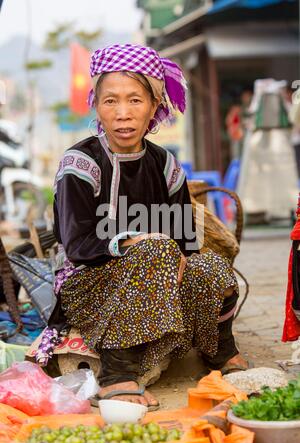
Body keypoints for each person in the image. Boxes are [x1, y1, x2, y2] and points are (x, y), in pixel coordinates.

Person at [36, 44, 249, 408]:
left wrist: (175, 263)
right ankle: (117, 375)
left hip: (155, 277)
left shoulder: (165, 164)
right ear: (96, 105)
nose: (122, 114)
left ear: (154, 104)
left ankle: (219, 353)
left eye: (135, 100)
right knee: (155, 248)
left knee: (211, 266)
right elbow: (77, 244)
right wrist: (134, 243)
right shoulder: (80, 163)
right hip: (87, 286)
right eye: (110, 101)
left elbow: (184, 240)